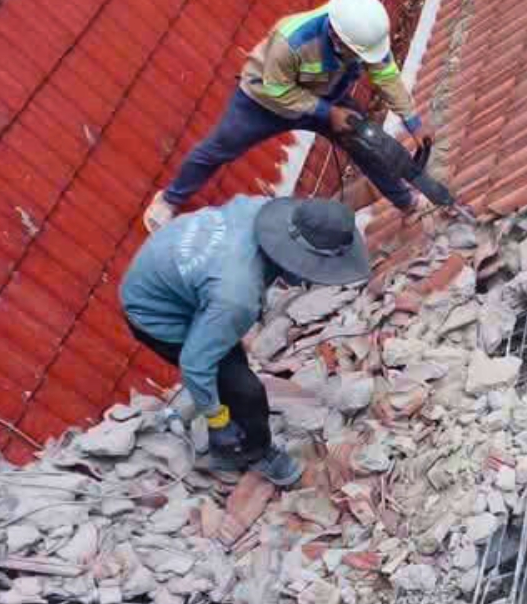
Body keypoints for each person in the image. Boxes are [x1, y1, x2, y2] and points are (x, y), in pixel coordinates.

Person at [121, 196, 371, 486]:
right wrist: (217, 421)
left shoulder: (263, 209)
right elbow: (194, 363)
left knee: (226, 352)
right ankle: (252, 452)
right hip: (153, 312)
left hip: (167, 265)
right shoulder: (236, 295)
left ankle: (214, 396)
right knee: (245, 390)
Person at [143, 0, 425, 233]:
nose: (363, 60)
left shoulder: (366, 38)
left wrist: (412, 120)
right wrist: (328, 113)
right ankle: (169, 200)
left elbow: (386, 75)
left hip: (324, 95)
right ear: (337, 38)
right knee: (218, 148)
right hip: (265, 101)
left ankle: (407, 202)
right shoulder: (292, 41)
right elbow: (279, 90)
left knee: (367, 144)